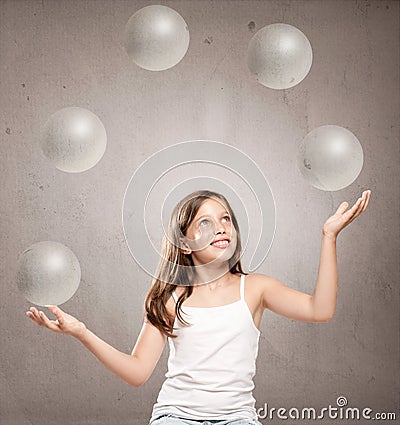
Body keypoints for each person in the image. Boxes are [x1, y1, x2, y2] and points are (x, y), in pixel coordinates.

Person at [26, 189, 371, 425]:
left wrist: (329, 237)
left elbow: (320, 309)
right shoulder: (170, 298)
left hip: (238, 418)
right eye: (204, 222)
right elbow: (137, 372)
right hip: (175, 417)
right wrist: (81, 332)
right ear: (185, 242)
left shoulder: (256, 288)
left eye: (225, 219)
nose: (220, 227)